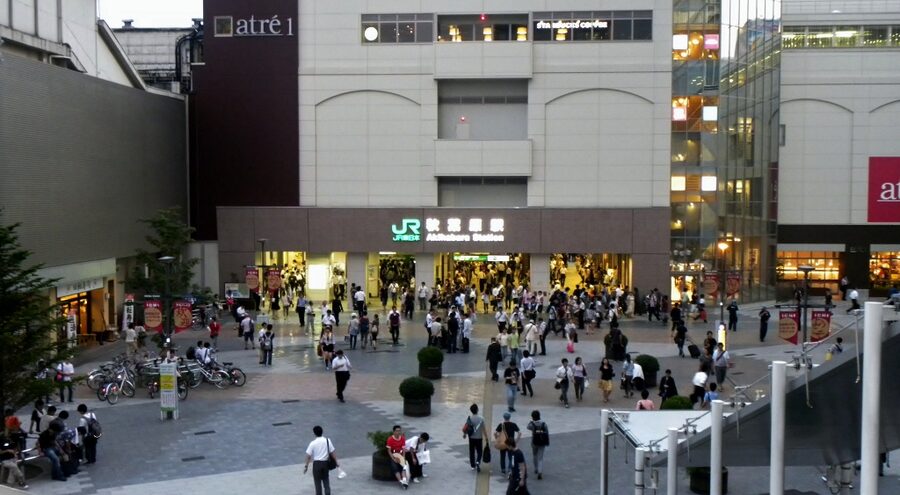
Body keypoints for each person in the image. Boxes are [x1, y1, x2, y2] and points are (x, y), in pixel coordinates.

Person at [304, 425, 339, 495]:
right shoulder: (327, 440)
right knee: (326, 481)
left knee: (317, 483)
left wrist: (306, 466)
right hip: (325, 464)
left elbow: (308, 456)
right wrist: (337, 462)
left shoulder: (313, 443)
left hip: (316, 465)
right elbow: (332, 452)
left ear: (314, 433)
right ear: (322, 432)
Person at [495, 412, 521, 476]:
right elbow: (519, 433)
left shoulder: (501, 425)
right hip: (511, 443)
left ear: (504, 417)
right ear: (510, 417)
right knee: (511, 457)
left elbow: (495, 433)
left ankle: (503, 469)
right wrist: (516, 441)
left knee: (502, 456)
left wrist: (497, 439)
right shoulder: (513, 424)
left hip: (503, 443)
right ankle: (510, 469)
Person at [526, 410, 548, 480]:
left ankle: (536, 468)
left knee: (534, 455)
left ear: (532, 417)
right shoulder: (544, 423)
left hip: (534, 442)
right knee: (540, 458)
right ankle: (540, 472)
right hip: (542, 442)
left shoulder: (531, 424)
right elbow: (546, 431)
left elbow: (528, 427)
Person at [463, 403, 485, 472]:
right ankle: (478, 461)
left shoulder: (469, 419)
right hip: (479, 438)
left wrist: (465, 434)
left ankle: (472, 465)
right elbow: (484, 429)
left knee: (471, 451)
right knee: (479, 451)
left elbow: (466, 428)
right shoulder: (481, 418)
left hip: (471, 438)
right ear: (477, 410)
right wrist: (486, 438)